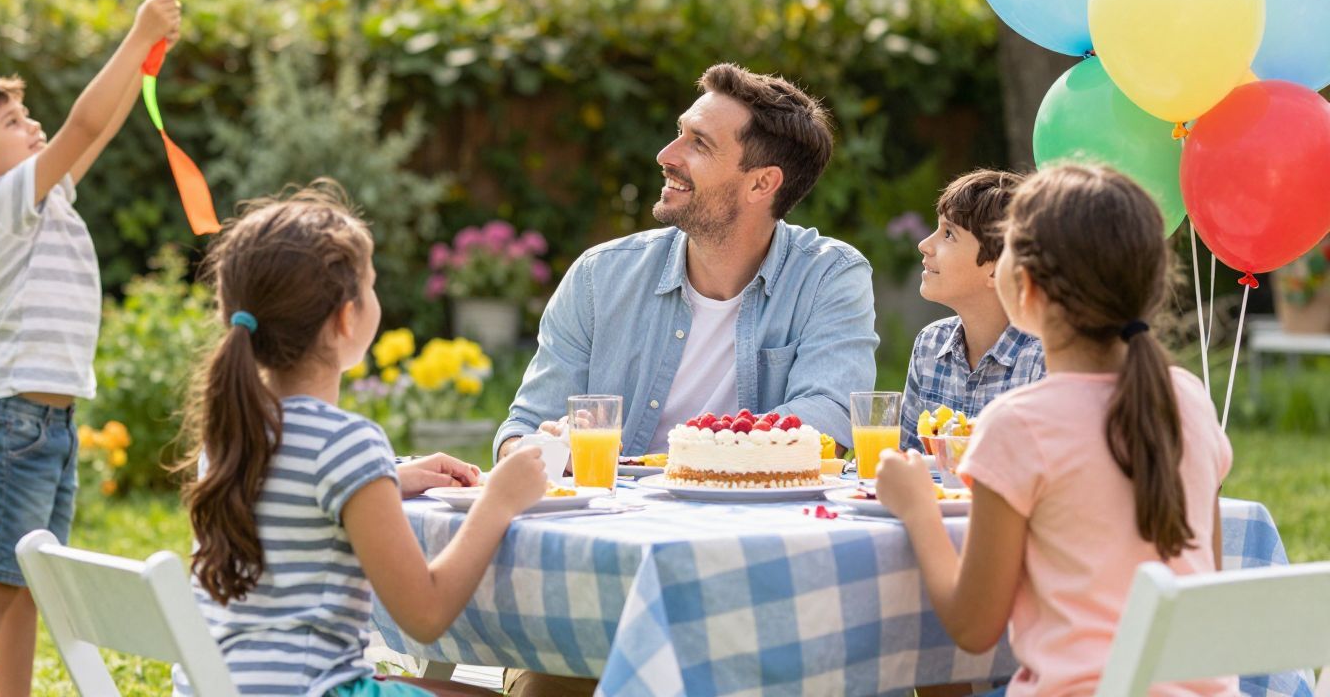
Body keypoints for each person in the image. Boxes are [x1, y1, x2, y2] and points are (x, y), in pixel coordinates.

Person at [175, 181, 550, 697]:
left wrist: (386, 478)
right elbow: (425, 615)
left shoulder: (230, 432)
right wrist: (501, 501)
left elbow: (295, 495)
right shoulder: (348, 443)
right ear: (346, 318)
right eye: (370, 284)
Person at [0, 0, 181, 697]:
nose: (33, 127)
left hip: (50, 424)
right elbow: (83, 122)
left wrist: (144, 62)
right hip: (14, 420)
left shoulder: (48, 194)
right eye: (13, 122)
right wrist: (135, 32)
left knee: (31, 582)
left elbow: (98, 130)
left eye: (28, 117)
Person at [876, 164, 1234, 697]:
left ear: (1022, 285)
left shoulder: (1018, 424)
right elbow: (1206, 584)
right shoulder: (1187, 400)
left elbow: (972, 631)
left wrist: (917, 511)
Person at [495, 63, 878, 466]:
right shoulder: (599, 277)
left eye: (699, 143)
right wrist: (546, 449)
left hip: (756, 520)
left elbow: (825, 426)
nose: (665, 155)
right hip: (618, 519)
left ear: (761, 184)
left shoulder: (828, 277)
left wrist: (686, 455)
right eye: (680, 133)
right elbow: (523, 428)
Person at [901, 169, 1045, 453]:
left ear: (996, 269)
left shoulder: (1041, 360)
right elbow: (908, 458)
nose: (925, 244)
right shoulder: (930, 345)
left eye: (949, 234)